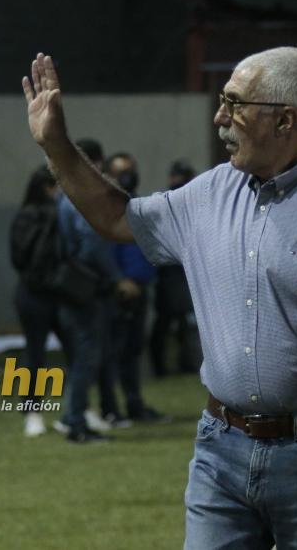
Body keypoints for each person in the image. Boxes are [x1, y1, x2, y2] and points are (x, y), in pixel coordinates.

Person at [22, 47, 297, 548]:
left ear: (284, 120)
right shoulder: (210, 192)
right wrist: (56, 144)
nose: (219, 117)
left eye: (235, 104)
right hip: (220, 449)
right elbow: (116, 217)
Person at [51, 138, 141, 443]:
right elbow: (92, 244)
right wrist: (117, 278)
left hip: (74, 286)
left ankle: (74, 417)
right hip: (88, 289)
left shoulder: (63, 195)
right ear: (95, 163)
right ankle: (74, 422)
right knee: (87, 356)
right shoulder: (80, 197)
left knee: (84, 355)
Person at [99, 151, 167, 425]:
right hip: (118, 291)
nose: (129, 175)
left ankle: (134, 404)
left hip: (142, 288)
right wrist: (118, 280)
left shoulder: (138, 204)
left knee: (133, 352)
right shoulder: (105, 206)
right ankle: (110, 409)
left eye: (131, 169)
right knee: (112, 352)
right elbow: (103, 250)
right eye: (122, 171)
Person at [9, 165, 68, 437]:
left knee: (37, 354)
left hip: (34, 293)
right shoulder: (48, 216)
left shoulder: (24, 216)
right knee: (40, 354)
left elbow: (17, 258)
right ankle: (36, 411)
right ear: (48, 188)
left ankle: (41, 412)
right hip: (45, 293)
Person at [149, 160, 200, 376]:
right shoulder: (169, 202)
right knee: (167, 323)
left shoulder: (193, 201)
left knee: (184, 325)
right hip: (171, 272)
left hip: (184, 272)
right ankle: (162, 366)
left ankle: (186, 363)